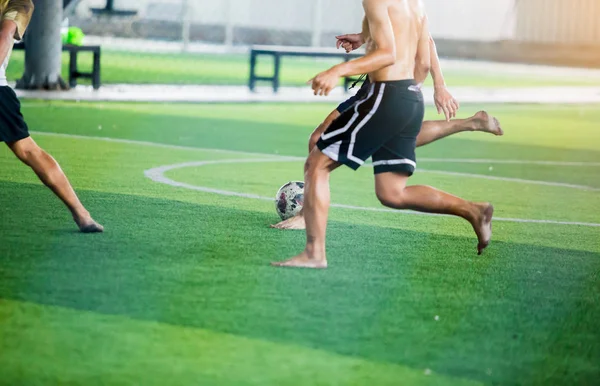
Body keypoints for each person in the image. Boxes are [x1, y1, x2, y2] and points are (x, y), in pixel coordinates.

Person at [272, 0, 493, 268]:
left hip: (386, 94)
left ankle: (314, 252)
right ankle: (473, 210)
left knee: (317, 160)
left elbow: (388, 53)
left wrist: (337, 70)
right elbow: (414, 45)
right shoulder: (414, 4)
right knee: (392, 193)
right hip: (409, 98)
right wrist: (365, 37)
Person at [0, 0, 103, 233]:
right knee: (29, 151)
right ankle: (82, 215)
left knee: (28, 151)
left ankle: (82, 214)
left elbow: (6, 35)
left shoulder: (19, 3)